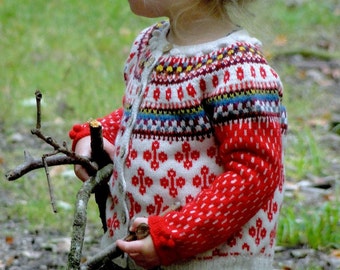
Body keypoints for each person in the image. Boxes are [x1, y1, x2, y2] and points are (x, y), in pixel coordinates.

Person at [69, 0, 288, 269]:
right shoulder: (149, 45)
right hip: (136, 247)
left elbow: (254, 173)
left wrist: (174, 235)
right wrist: (98, 134)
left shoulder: (240, 72)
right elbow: (140, 114)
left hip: (207, 260)